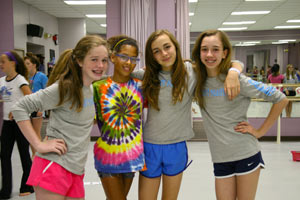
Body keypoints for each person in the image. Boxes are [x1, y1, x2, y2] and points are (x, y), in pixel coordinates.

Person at [138, 29, 243, 200]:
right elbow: (115, 79)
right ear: (152, 56)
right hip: (150, 146)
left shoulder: (192, 72)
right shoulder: (145, 75)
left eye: (167, 47)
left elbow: (234, 62)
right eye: (156, 51)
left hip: (177, 146)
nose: (164, 53)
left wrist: (234, 73)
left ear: (176, 47)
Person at [192, 29, 288, 200]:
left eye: (215, 49)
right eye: (204, 49)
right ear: (199, 52)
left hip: (245, 154)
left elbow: (281, 99)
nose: (209, 54)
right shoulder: (197, 80)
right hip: (220, 158)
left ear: (224, 53)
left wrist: (260, 131)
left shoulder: (239, 81)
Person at [11, 35, 109, 200]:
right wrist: (38, 145)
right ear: (79, 61)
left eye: (104, 60)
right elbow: (19, 107)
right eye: (94, 59)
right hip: (54, 166)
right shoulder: (64, 88)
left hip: (76, 169)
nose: (100, 65)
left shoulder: (90, 88)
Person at [93, 35, 145, 200]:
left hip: (132, 157)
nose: (128, 62)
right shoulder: (97, 88)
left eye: (133, 59)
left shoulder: (141, 86)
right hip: (108, 157)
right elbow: (84, 119)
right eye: (124, 57)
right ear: (113, 57)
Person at [0, 50, 34, 199]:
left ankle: (27, 185)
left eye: (3, 62)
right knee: (4, 155)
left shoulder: (20, 80)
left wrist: (18, 109)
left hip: (21, 123)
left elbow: (31, 98)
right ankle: (6, 189)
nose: (1, 65)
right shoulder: (1, 81)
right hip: (7, 123)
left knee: (24, 155)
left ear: (12, 63)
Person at [24, 52, 48, 157]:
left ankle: (38, 155)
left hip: (38, 108)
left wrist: (42, 109)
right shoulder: (25, 78)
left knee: (36, 133)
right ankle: (34, 155)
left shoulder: (41, 76)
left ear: (34, 65)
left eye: (28, 63)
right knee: (30, 135)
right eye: (25, 64)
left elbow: (47, 93)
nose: (26, 66)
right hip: (28, 108)